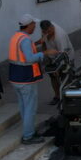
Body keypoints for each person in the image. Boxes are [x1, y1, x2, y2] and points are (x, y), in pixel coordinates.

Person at [8, 14, 57, 144]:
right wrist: (45, 53)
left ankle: (28, 131)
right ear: (28, 25)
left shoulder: (16, 37)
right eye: (33, 25)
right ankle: (28, 136)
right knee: (30, 107)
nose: (35, 27)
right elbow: (29, 58)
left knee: (24, 106)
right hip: (25, 78)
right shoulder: (25, 40)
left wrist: (37, 44)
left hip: (15, 78)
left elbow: (22, 52)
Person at [37, 20, 73, 105]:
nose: (48, 33)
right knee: (53, 77)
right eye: (45, 32)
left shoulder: (60, 37)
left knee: (65, 77)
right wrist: (45, 55)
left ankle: (67, 97)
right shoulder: (45, 32)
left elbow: (63, 54)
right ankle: (57, 96)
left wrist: (58, 68)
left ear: (52, 27)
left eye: (49, 31)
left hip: (66, 57)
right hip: (52, 57)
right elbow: (44, 44)